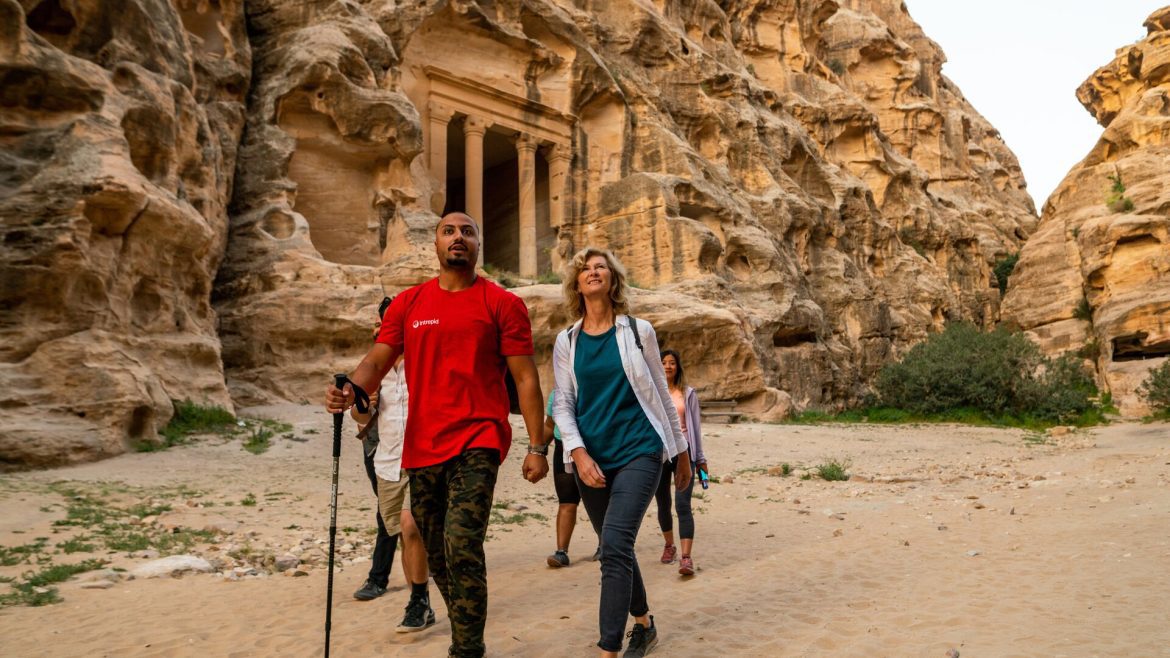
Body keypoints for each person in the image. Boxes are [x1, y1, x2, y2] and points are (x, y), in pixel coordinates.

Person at [325, 212, 548, 658]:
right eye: (449, 231)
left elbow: (525, 379)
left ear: (478, 245)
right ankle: (460, 624)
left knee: (462, 543)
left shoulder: (502, 304)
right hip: (422, 445)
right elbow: (377, 360)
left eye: (468, 231)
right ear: (436, 245)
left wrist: (537, 446)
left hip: (479, 439)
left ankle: (467, 649)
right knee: (435, 550)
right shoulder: (410, 304)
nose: (458, 238)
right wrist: (351, 388)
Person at [551, 247, 691, 658]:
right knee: (617, 547)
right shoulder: (567, 341)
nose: (594, 272)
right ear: (577, 283)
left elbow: (661, 395)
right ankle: (644, 623)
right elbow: (563, 403)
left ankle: (608, 649)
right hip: (591, 457)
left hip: (640, 449)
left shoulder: (637, 331)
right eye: (586, 269)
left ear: (613, 280)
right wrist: (577, 453)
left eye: (601, 268)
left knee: (612, 544)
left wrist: (680, 453)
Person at [350, 296, 435, 633]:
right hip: (388, 462)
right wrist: (362, 405)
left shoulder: (426, 358)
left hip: (425, 458)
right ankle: (421, 598)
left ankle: (417, 600)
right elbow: (360, 417)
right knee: (405, 535)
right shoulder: (375, 366)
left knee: (410, 525)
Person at [653, 349, 707, 577]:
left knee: (683, 504)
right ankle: (669, 546)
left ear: (678, 367)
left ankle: (686, 557)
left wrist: (701, 459)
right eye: (663, 362)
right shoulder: (652, 393)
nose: (667, 366)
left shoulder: (688, 393)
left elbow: (695, 427)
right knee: (663, 503)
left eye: (672, 363)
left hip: (685, 452)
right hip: (659, 453)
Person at [544, 388, 600, 568]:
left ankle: (606, 544)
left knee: (600, 500)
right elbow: (549, 425)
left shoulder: (594, 387)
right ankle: (561, 552)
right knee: (566, 501)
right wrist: (537, 450)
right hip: (564, 449)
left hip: (593, 449)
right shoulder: (557, 394)